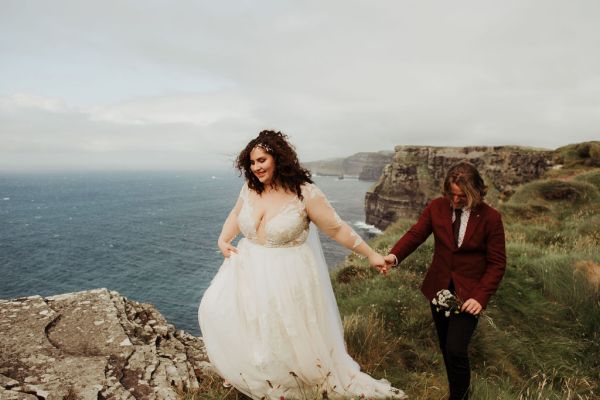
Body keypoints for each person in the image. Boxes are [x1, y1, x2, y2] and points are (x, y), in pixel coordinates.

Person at [198, 130, 405, 399]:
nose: (256, 167)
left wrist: (371, 254)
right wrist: (223, 239)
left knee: (282, 334)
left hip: (286, 274)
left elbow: (337, 229)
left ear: (278, 158)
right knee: (226, 314)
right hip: (246, 269)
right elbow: (237, 215)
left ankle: (289, 386)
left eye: (262, 160)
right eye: (252, 162)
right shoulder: (250, 188)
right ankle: (253, 378)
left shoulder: (304, 194)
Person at [380, 161, 506, 400]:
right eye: (452, 194)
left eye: (462, 196)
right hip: (438, 289)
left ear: (476, 191)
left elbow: (497, 264)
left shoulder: (491, 218)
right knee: (446, 348)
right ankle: (456, 394)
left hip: (470, 294)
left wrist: (480, 298)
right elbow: (416, 234)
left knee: (456, 349)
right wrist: (393, 257)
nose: (455, 200)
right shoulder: (437, 207)